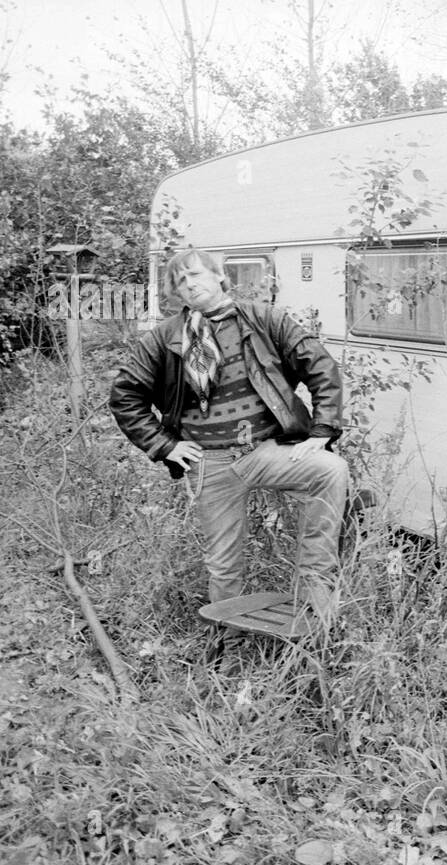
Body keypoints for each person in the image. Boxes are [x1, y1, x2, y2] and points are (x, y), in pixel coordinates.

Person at [109, 247, 348, 666]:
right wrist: (165, 445)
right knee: (223, 564)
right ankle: (230, 648)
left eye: (197, 275)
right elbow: (125, 395)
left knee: (330, 469)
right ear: (175, 292)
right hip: (212, 463)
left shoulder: (263, 319)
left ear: (220, 277)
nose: (191, 285)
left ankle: (315, 603)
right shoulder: (166, 337)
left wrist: (322, 431)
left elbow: (321, 367)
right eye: (181, 281)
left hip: (265, 450)